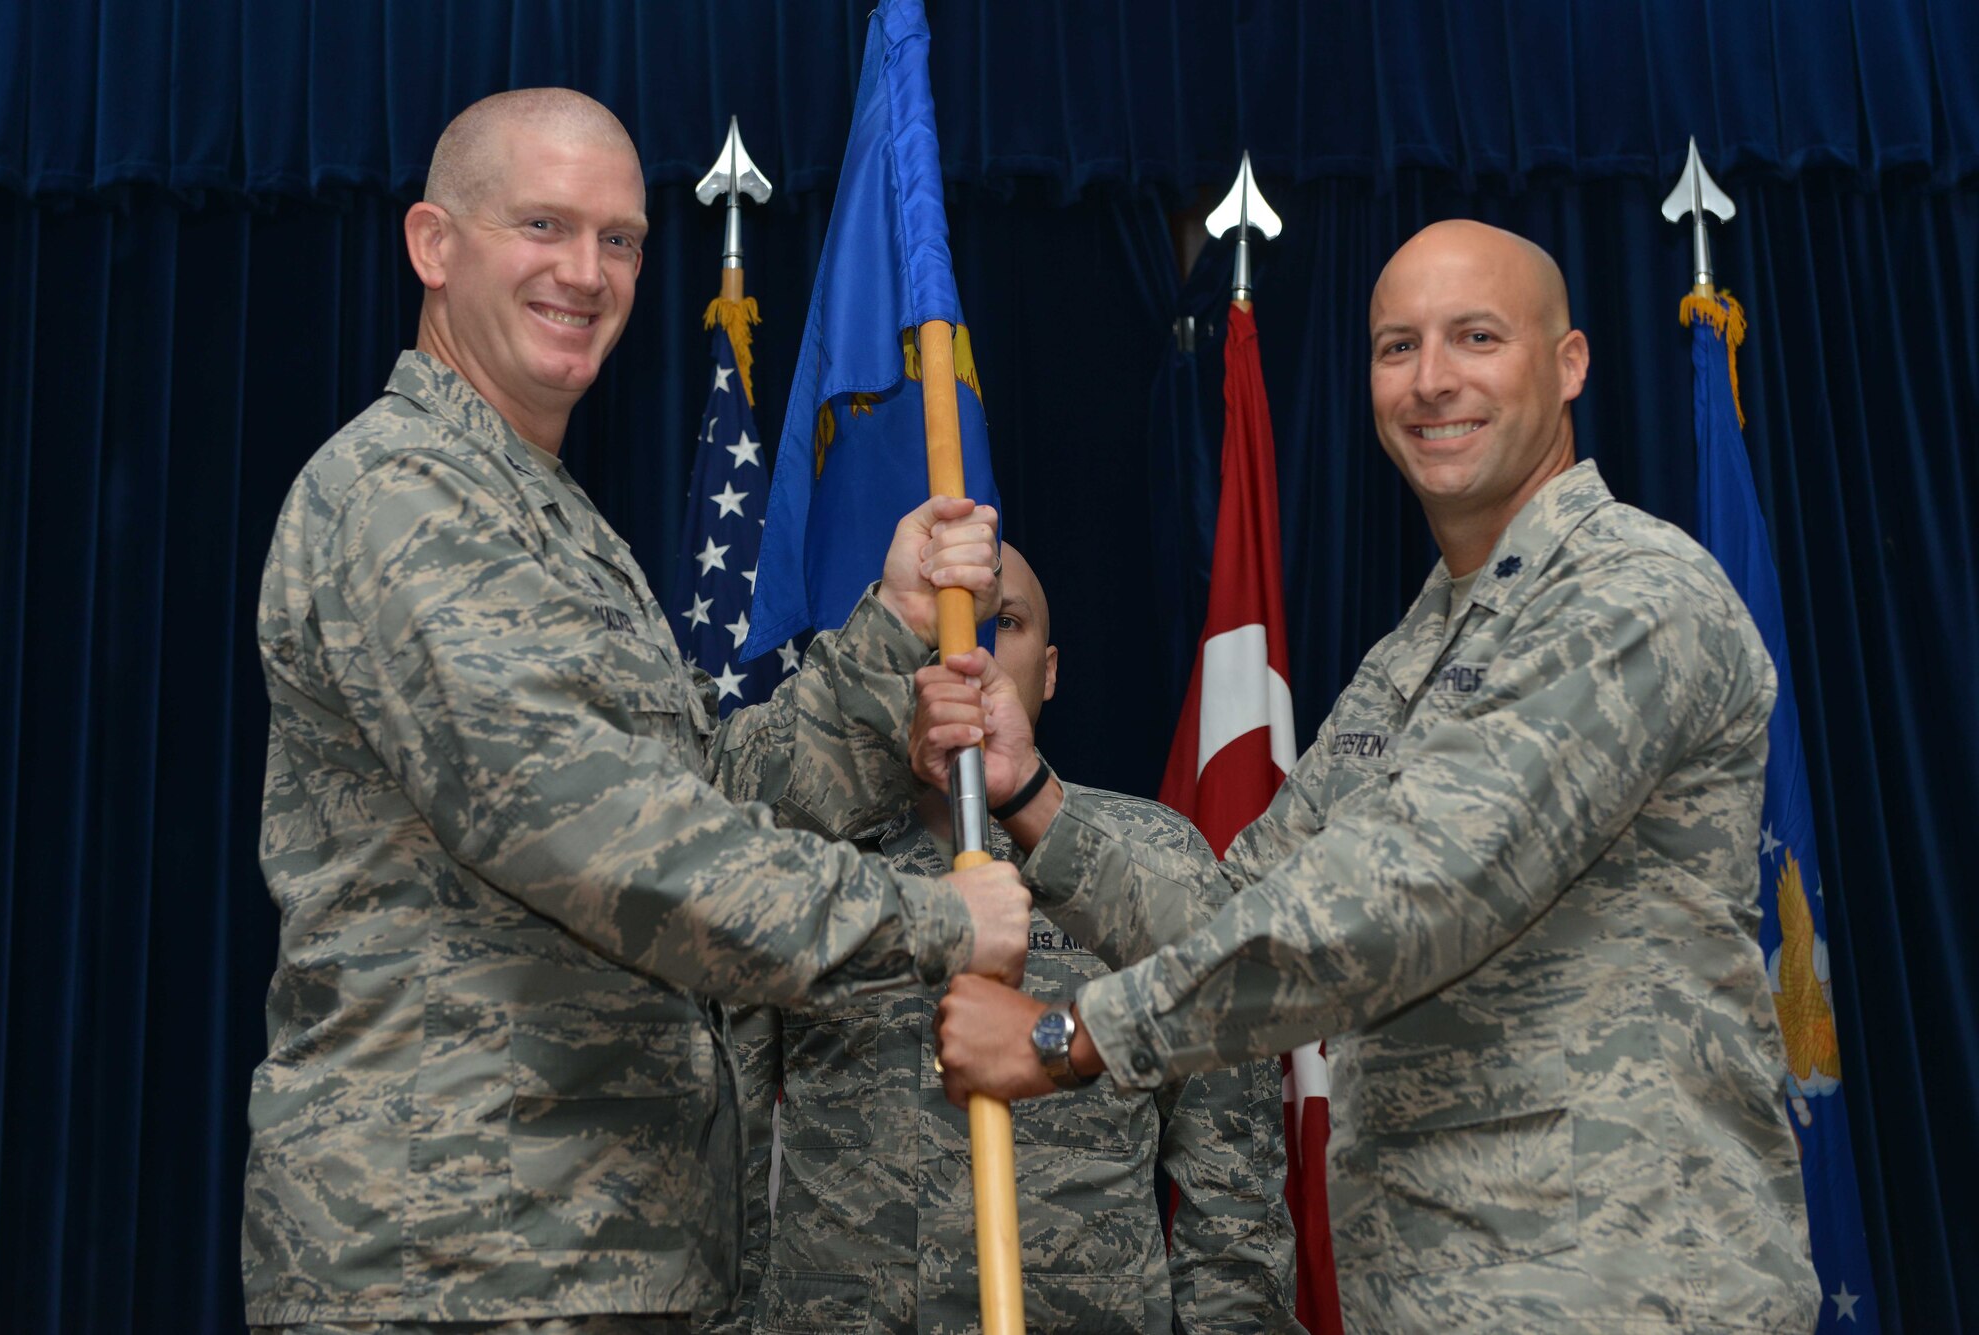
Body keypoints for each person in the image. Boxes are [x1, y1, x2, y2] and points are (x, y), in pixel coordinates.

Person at [921, 220, 1821, 1332]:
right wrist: (1027, 796)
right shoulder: (1419, 647)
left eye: (1475, 337)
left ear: (1568, 362)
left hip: (1623, 1287)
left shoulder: (1630, 596)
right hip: (1434, 1293)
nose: (1431, 381)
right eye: (1396, 347)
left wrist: (1068, 1038)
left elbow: (1408, 902)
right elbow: (1236, 908)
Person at [244, 89, 1030, 1334]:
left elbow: (703, 799)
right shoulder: (402, 498)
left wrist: (883, 635)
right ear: (433, 245)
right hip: (456, 1261)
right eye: (544, 225)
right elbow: (607, 848)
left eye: (619, 238)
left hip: (599, 1250)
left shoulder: (544, 511)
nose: (586, 271)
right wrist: (931, 922)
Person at [707, 544, 1304, 1335]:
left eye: (1004, 623)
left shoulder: (1151, 860)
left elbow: (1230, 1158)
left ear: (1049, 671)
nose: (966, 654)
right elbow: (731, 1137)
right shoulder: (813, 861)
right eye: (942, 628)